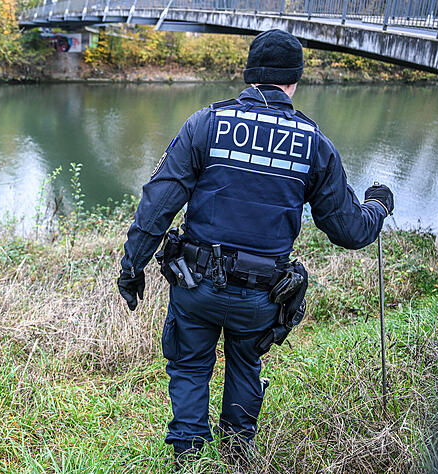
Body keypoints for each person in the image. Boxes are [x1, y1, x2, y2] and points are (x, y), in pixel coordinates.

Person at [116, 29, 394, 468]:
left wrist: (132, 266)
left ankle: (188, 457)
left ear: (249, 75)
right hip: (263, 295)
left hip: (197, 284)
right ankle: (237, 454)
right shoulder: (314, 144)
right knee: (245, 365)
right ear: (294, 81)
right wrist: (378, 206)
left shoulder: (206, 123)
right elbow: (350, 230)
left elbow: (157, 205)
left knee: (189, 366)